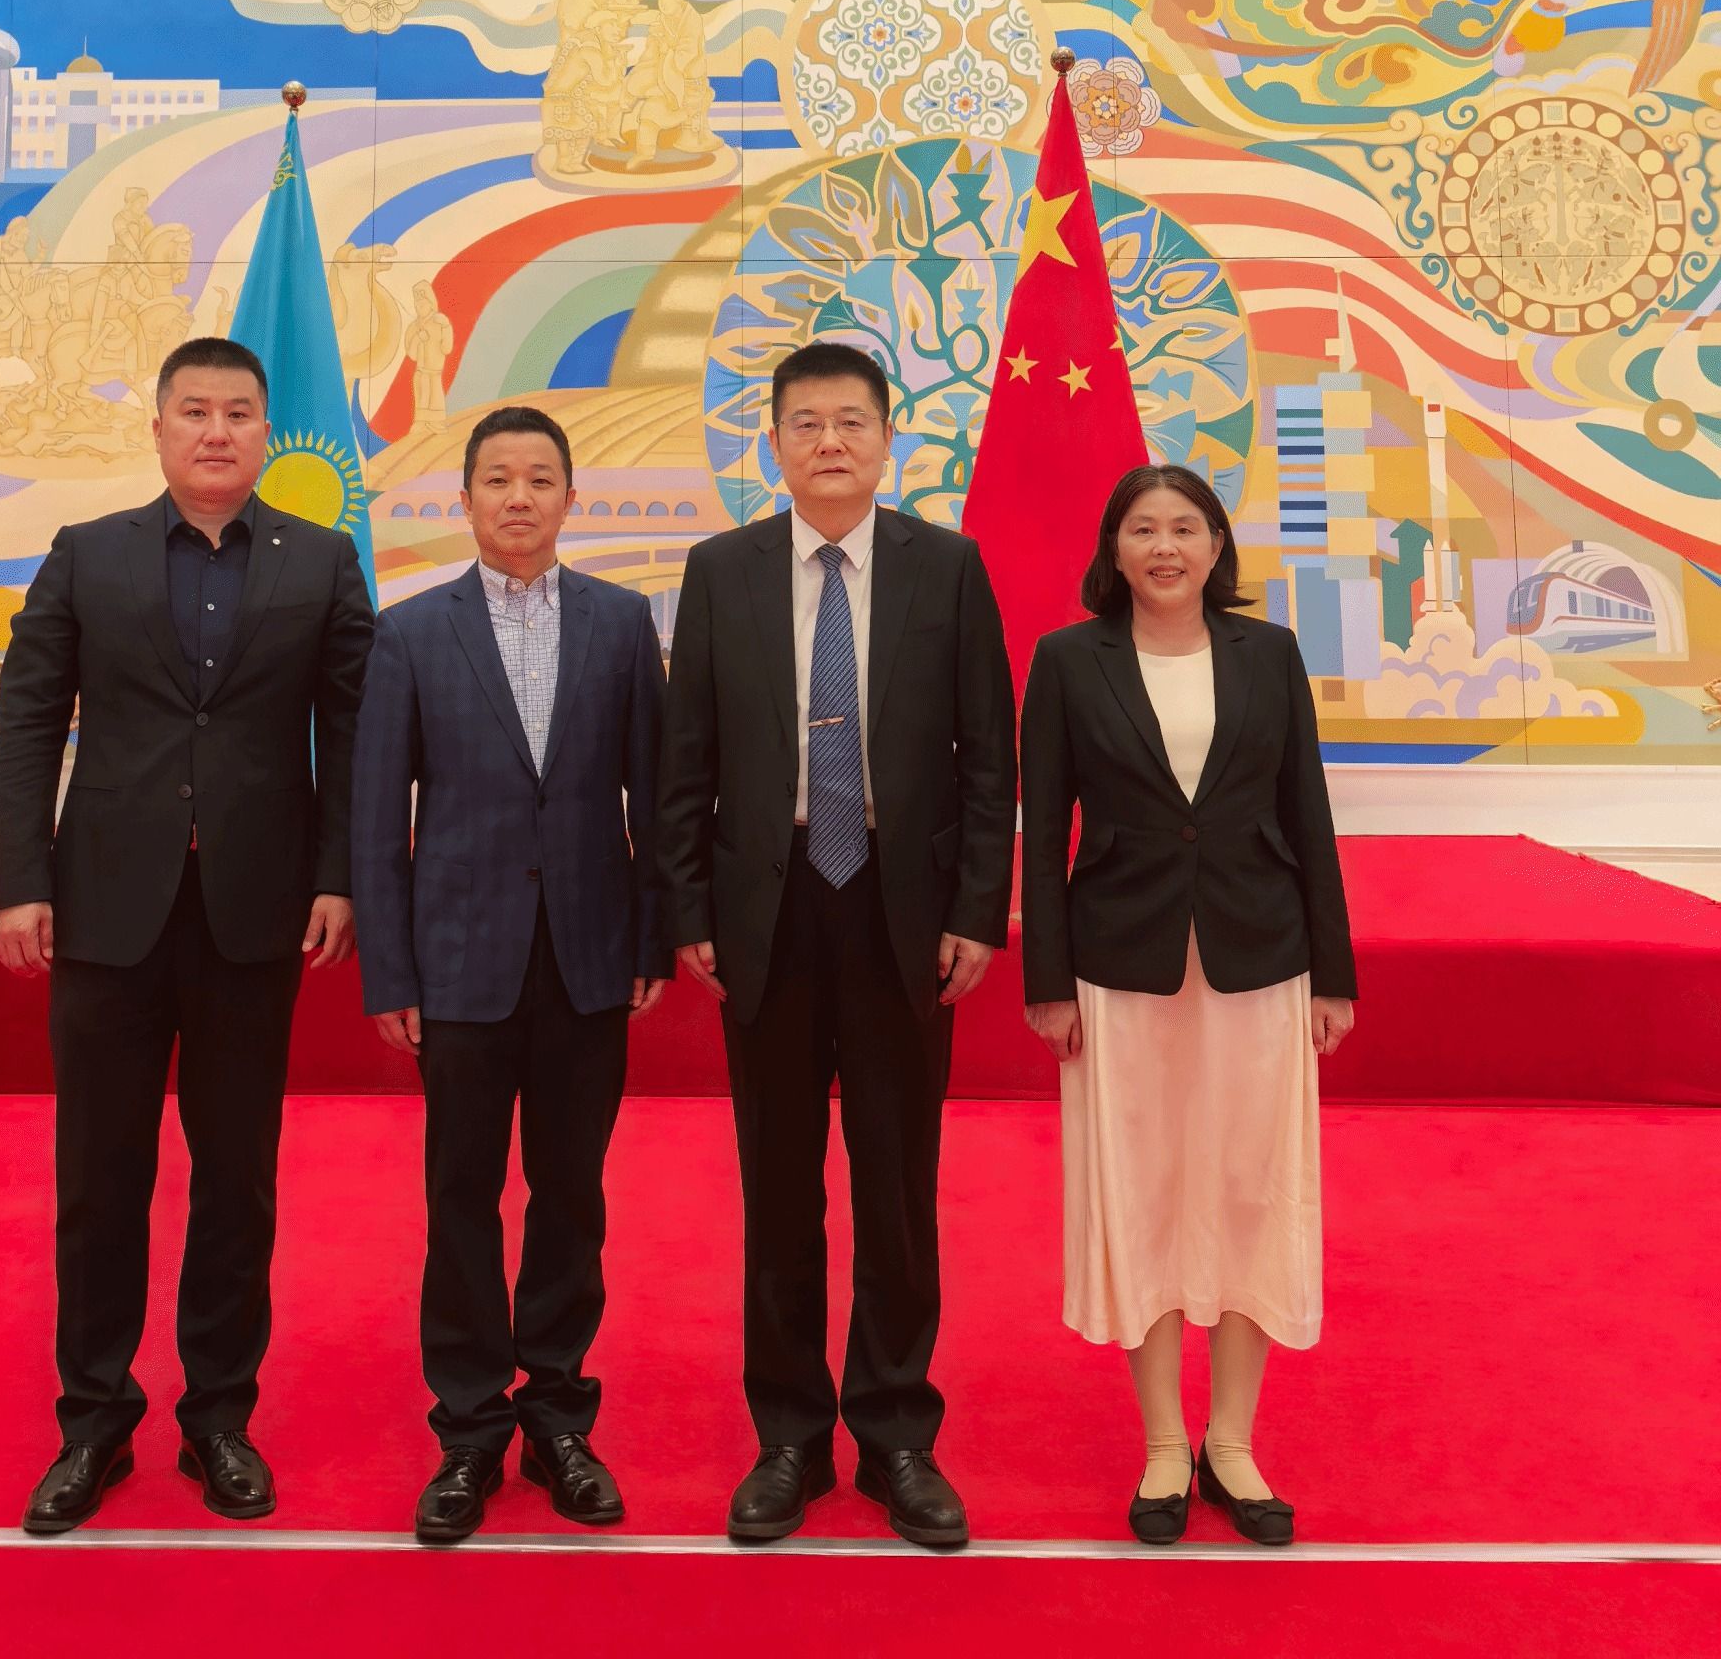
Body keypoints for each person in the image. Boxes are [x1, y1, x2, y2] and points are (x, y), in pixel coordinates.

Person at [0, 336, 373, 1535]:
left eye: (238, 412)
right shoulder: (86, 552)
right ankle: (93, 1419)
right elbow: (29, 720)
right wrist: (19, 879)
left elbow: (353, 735)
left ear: (265, 431)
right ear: (157, 427)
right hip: (105, 909)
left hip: (254, 914)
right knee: (99, 1177)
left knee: (236, 1180)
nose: (216, 430)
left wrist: (339, 875)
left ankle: (219, 1417)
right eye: (194, 410)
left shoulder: (322, 560)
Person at [656, 340, 1017, 1548]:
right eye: (804, 421)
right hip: (766, 911)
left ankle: (896, 1431)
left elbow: (988, 756)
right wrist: (688, 909)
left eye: (850, 421)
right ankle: (789, 1436)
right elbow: (685, 755)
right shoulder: (721, 569)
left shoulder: (946, 566)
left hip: (899, 915)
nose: (828, 441)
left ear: (886, 439)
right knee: (778, 1186)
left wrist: (975, 907)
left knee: (895, 1183)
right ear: (773, 441)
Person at [1018, 464, 1358, 1549]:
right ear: (1112, 550)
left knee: (1251, 1186)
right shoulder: (1067, 660)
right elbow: (1042, 830)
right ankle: (1164, 1441)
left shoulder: (1270, 652)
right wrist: (1045, 981)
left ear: (1216, 546)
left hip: (1260, 955)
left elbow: (1306, 809)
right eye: (1141, 528)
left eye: (1184, 527)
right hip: (1121, 964)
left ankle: (1232, 1440)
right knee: (1147, 1189)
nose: (1163, 546)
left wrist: (1335, 970)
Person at [352, 406, 671, 1544]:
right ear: (466, 500)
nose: (520, 497)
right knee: (461, 1197)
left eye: (541, 478)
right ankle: (470, 1429)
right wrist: (389, 968)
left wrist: (649, 940)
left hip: (588, 956)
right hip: (458, 960)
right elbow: (374, 816)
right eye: (498, 478)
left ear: (571, 498)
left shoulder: (622, 623)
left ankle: (559, 1418)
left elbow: (654, 796)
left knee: (571, 1195)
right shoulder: (410, 633)